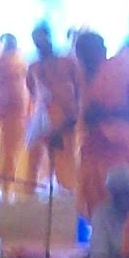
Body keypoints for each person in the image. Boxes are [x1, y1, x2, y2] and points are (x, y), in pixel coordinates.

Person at [74, 31, 129, 222]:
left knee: (120, 200)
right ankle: (99, 237)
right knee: (93, 203)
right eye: (81, 53)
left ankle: (125, 238)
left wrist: (108, 114)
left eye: (89, 51)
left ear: (103, 50)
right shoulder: (80, 75)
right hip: (90, 148)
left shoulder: (123, 70)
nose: (85, 58)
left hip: (118, 148)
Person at [26, 23, 81, 195]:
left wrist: (72, 117)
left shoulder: (67, 63)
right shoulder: (33, 67)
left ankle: (69, 193)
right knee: (32, 155)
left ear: (49, 38)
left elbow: (80, 90)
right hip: (45, 119)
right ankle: (31, 194)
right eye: (36, 41)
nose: (40, 44)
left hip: (69, 120)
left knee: (68, 161)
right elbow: (34, 93)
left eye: (42, 38)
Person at [0, 33, 30, 201]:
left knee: (19, 151)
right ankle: (5, 188)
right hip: (3, 114)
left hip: (22, 114)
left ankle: (17, 188)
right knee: (6, 151)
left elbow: (33, 87)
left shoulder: (22, 62)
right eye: (6, 43)